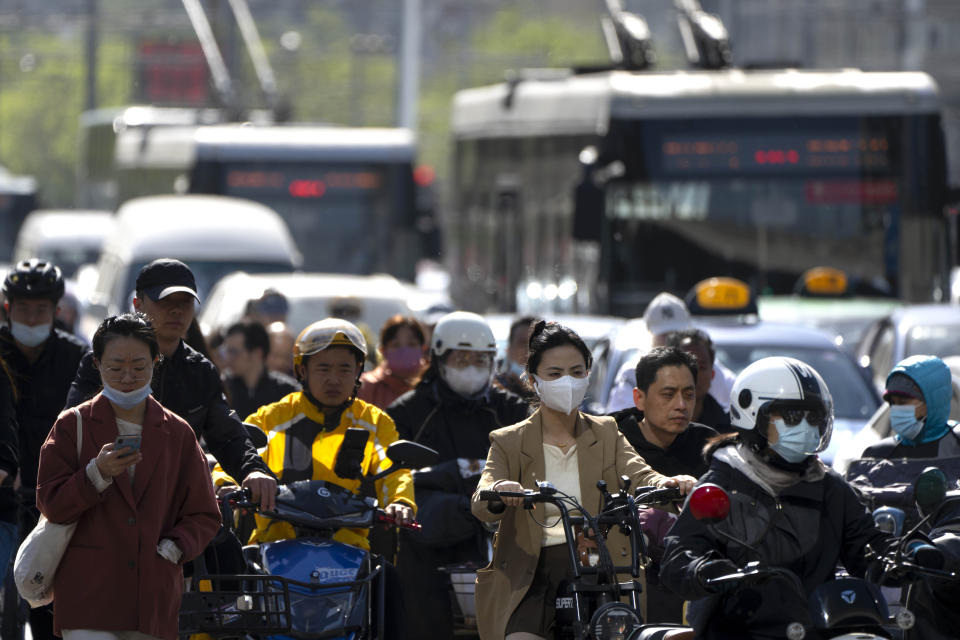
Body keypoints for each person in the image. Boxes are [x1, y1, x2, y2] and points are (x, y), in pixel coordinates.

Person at [471, 321, 696, 640]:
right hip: (530, 576)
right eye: (555, 374)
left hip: (600, 570)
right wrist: (499, 490)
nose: (568, 382)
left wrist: (670, 484)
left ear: (588, 375)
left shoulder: (606, 432)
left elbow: (640, 472)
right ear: (534, 381)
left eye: (577, 372)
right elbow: (483, 494)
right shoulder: (509, 441)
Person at [210, 318, 414, 640]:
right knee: (223, 612)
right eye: (323, 368)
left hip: (350, 553)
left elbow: (396, 470)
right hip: (272, 551)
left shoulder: (375, 423)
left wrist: (401, 502)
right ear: (302, 371)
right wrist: (227, 484)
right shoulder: (271, 418)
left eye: (345, 369)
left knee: (391, 585)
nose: (334, 378)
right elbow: (234, 456)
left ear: (359, 371)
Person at [659, 356, 889, 639]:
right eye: (792, 417)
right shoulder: (720, 488)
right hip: (740, 631)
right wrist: (702, 569)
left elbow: (866, 547)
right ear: (752, 416)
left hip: (819, 628)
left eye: (813, 417)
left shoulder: (828, 485)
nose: (805, 427)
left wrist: (903, 554)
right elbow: (678, 554)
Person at [36, 312, 220, 640]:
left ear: (156, 361)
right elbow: (51, 503)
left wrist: (175, 547)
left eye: (138, 366)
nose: (127, 377)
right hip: (89, 595)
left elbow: (204, 513)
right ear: (97, 365)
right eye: (116, 367)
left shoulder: (177, 432)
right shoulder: (71, 425)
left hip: (152, 596)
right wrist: (96, 474)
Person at [66, 259, 277, 511]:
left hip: (177, 508)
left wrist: (253, 470)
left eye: (185, 302)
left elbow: (227, 434)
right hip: (108, 504)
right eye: (164, 301)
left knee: (228, 549)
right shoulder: (99, 363)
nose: (176, 311)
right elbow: (71, 434)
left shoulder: (201, 371)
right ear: (137, 304)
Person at [387, 311, 529, 640]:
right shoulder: (407, 411)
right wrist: (457, 476)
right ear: (438, 358)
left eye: (481, 358)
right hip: (432, 539)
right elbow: (397, 477)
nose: (471, 366)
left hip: (503, 531)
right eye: (461, 357)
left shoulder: (512, 409)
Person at [0, 259, 88, 640]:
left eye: (41, 310)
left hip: (56, 499)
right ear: (8, 309)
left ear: (57, 311)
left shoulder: (78, 357)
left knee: (49, 610)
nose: (32, 318)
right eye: (23, 309)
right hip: (3, 498)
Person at [606, 292, 735, 413]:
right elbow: (619, 421)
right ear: (651, 336)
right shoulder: (632, 374)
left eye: (676, 334)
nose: (671, 341)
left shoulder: (706, 370)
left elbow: (736, 399)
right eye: (664, 335)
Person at [861, 355, 960, 459]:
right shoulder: (880, 455)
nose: (897, 410)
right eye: (893, 403)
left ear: (933, 401)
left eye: (903, 402)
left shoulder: (956, 445)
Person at [220, 320, 299, 420]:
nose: (228, 359)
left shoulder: (287, 393)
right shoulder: (222, 389)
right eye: (226, 351)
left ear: (257, 353)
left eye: (234, 352)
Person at [666, 329, 731, 432]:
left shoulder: (728, 429)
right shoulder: (649, 423)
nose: (694, 374)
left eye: (702, 367)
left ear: (712, 374)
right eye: (687, 365)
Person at [358, 315, 427, 410]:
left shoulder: (435, 386)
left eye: (412, 344)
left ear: (423, 349)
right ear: (383, 351)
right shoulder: (365, 387)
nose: (404, 351)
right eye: (396, 345)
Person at [494, 315, 538, 397]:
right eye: (523, 343)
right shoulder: (491, 386)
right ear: (508, 349)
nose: (529, 350)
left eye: (536, 343)